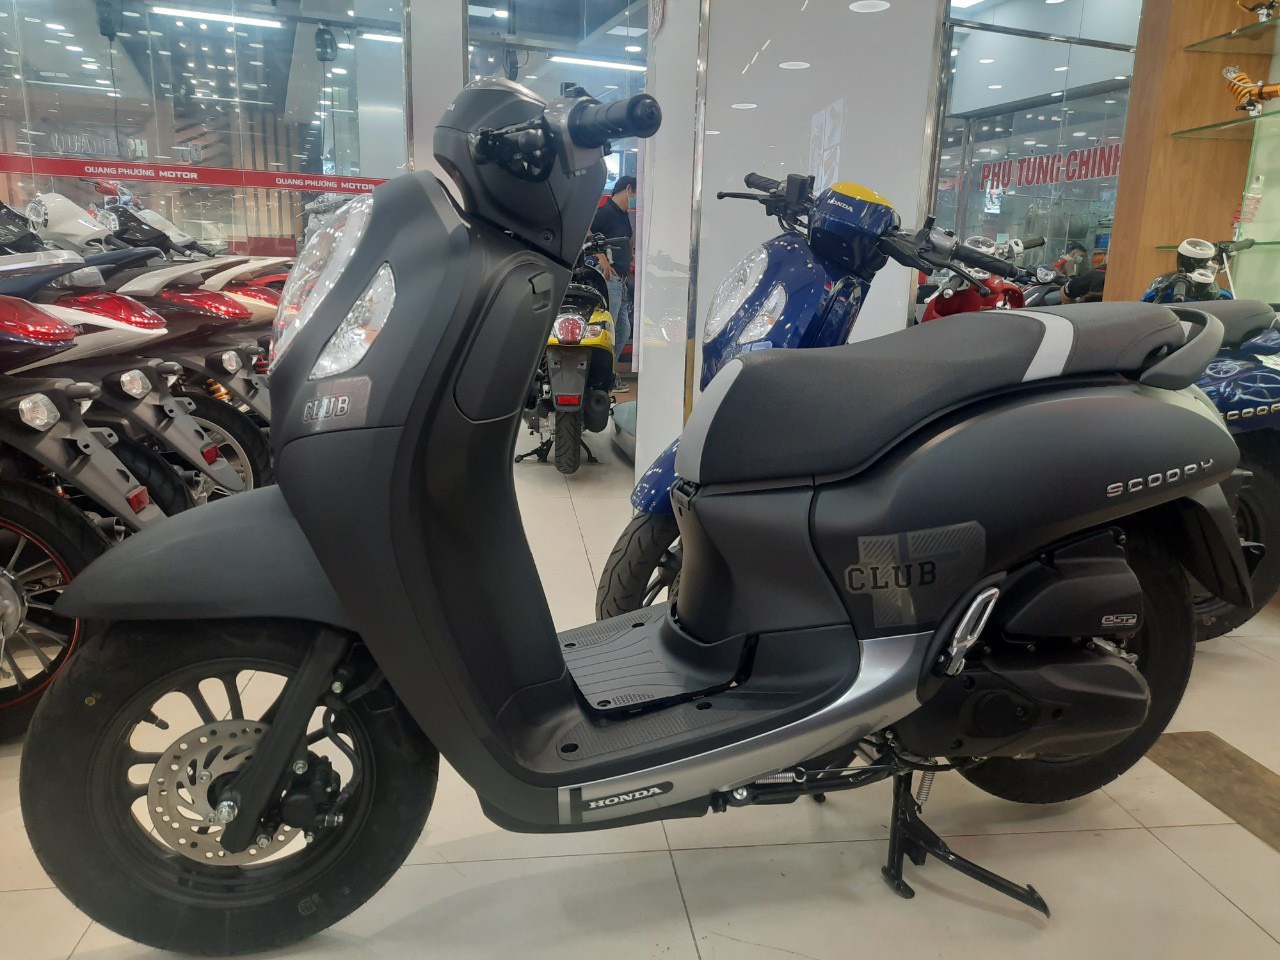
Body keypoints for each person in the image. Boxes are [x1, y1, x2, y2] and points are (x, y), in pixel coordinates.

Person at [591, 176, 636, 367]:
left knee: (623, 331)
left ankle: (609, 371)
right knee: (608, 329)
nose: (635, 199)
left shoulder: (622, 214)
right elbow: (587, 230)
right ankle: (600, 373)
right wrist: (601, 258)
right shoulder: (606, 212)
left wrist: (631, 257)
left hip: (622, 281)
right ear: (628, 189)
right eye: (636, 194)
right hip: (611, 279)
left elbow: (626, 239)